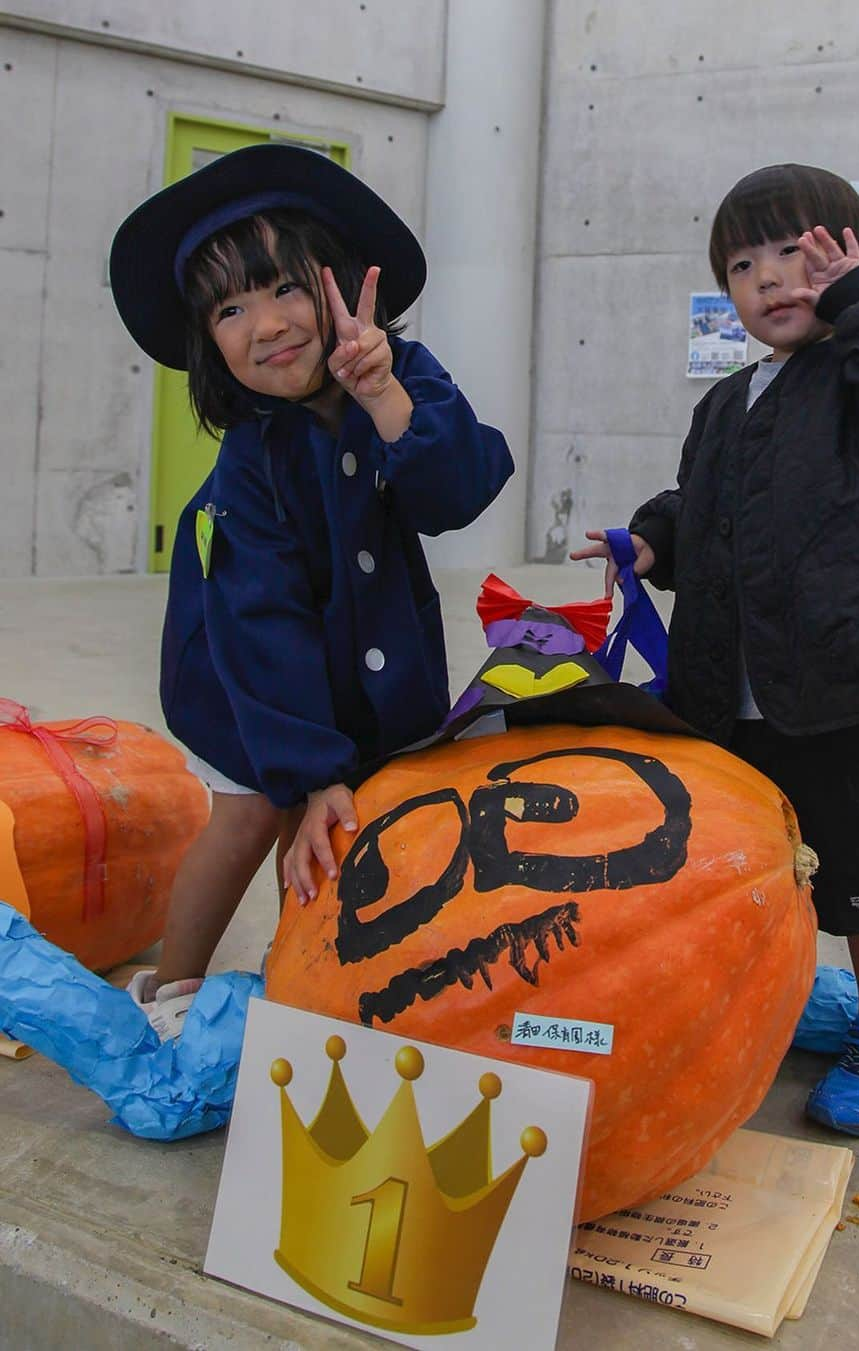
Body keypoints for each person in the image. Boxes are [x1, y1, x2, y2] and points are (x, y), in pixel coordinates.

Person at [572, 163, 859, 1137]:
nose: (770, 279)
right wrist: (651, 541)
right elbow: (700, 508)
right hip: (729, 698)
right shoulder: (728, 402)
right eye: (744, 265)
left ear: (858, 261)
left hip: (839, 689)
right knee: (760, 865)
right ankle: (780, 996)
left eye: (799, 254)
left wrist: (858, 306)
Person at [109, 144, 513, 1039]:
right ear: (208, 342)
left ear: (338, 288)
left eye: (288, 289)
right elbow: (262, 622)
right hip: (246, 677)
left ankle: (316, 976)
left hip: (371, 659)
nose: (268, 324)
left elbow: (460, 489)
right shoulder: (249, 464)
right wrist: (309, 766)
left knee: (357, 817)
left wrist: (385, 399)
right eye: (230, 308)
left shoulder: (404, 375)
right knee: (260, 809)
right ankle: (170, 995)